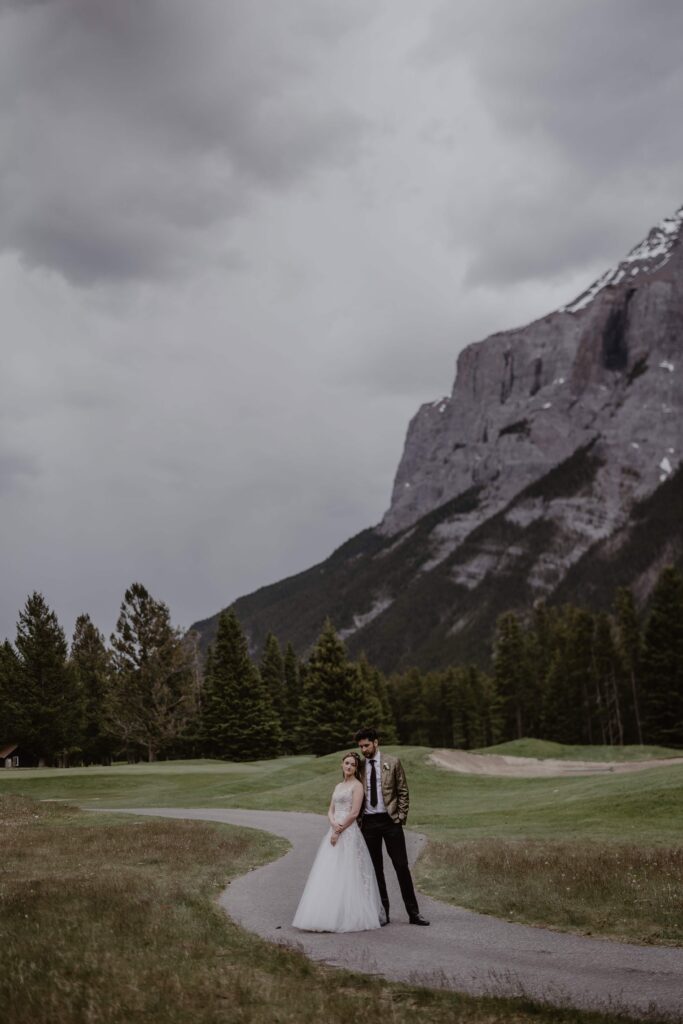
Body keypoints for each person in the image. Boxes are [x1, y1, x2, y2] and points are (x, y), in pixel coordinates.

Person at [292, 751, 386, 932]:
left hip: (348, 831)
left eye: (352, 764)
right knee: (330, 870)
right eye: (346, 763)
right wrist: (333, 825)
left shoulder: (357, 786)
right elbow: (330, 810)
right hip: (334, 828)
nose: (349, 766)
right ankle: (326, 914)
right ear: (341, 765)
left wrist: (340, 829)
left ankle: (348, 915)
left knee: (347, 870)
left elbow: (354, 813)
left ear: (356, 768)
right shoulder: (338, 786)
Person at [355, 727, 429, 926]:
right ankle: (383, 913)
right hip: (368, 824)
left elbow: (403, 792)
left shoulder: (393, 762)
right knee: (375, 870)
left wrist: (400, 816)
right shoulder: (359, 766)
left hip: (390, 822)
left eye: (366, 745)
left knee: (401, 867)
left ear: (376, 742)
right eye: (361, 746)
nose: (363, 749)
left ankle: (414, 913)